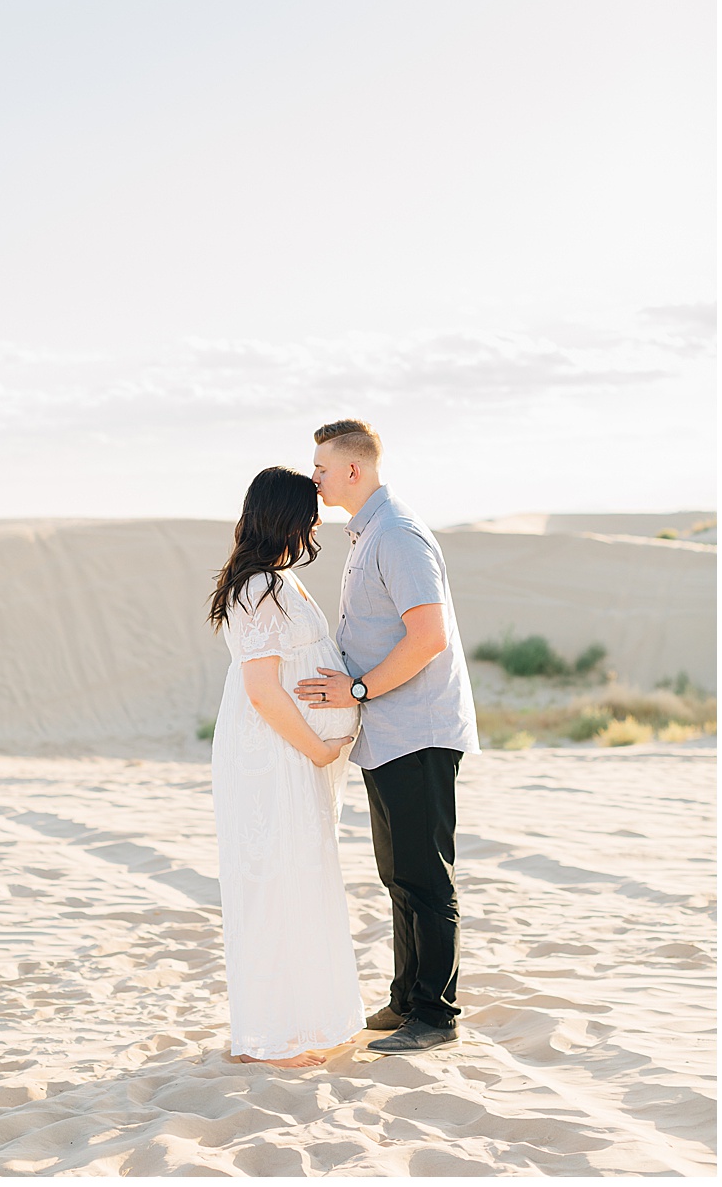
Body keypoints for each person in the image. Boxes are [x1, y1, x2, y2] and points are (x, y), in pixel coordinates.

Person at [297, 418, 480, 1055]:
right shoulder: (368, 533)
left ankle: (436, 1013)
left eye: (322, 466)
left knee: (426, 875)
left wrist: (356, 690)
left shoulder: (397, 536)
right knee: (398, 872)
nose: (313, 476)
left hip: (419, 728)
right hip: (389, 731)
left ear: (354, 469)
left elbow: (429, 637)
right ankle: (407, 1000)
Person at [206, 466, 363, 1068]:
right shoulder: (256, 589)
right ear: (287, 517)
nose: (318, 521)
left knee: (301, 878)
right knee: (277, 881)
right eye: (310, 511)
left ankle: (307, 1022)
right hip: (275, 754)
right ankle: (277, 1035)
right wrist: (319, 748)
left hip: (295, 753)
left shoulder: (281, 580)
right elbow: (263, 691)